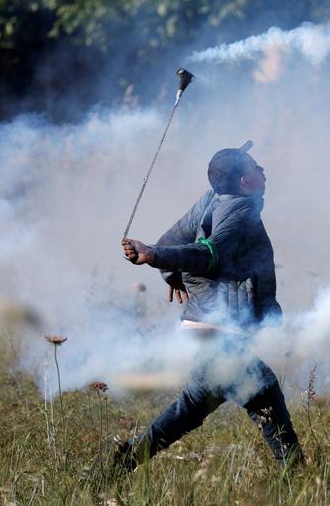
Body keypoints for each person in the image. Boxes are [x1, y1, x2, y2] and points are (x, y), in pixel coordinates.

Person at [117, 141, 301, 470]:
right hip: (221, 332)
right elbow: (208, 254)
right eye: (255, 167)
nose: (262, 171)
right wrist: (156, 257)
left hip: (209, 329)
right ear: (244, 181)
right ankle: (299, 480)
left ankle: (124, 463)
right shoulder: (241, 211)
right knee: (264, 394)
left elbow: (171, 240)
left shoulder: (212, 198)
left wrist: (170, 272)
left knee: (193, 406)